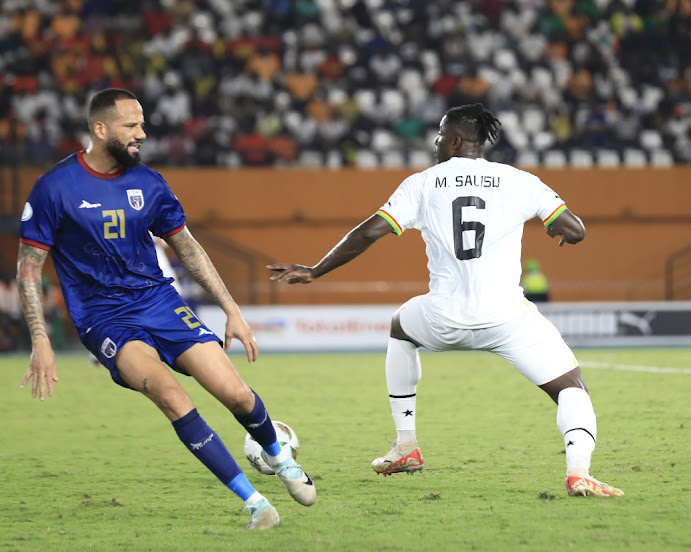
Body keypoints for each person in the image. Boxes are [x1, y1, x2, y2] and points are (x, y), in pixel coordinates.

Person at [269, 103, 623, 498]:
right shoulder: (520, 181)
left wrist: (317, 270)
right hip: (506, 318)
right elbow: (576, 229)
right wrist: (562, 230)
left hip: (443, 315)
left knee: (401, 326)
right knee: (571, 388)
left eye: (439, 135)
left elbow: (368, 233)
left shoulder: (422, 184)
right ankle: (578, 472)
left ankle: (406, 445)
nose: (436, 142)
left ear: (454, 140)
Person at [17, 88, 315, 530]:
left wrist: (230, 308)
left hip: (159, 301)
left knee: (233, 392)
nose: (142, 133)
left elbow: (188, 249)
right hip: (105, 319)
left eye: (142, 124)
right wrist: (40, 339)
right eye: (131, 126)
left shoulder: (149, 183)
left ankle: (279, 457)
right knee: (172, 397)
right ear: (100, 129)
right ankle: (255, 503)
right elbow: (29, 268)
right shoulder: (54, 188)